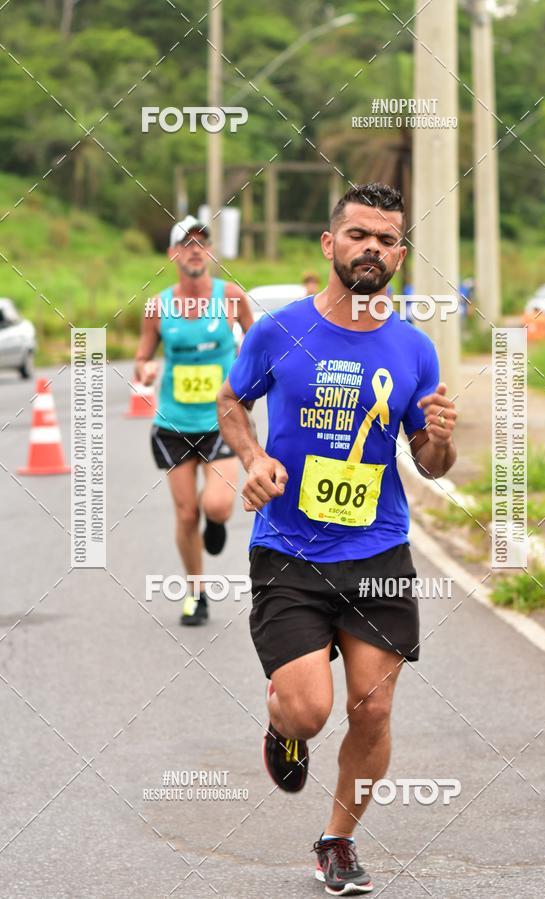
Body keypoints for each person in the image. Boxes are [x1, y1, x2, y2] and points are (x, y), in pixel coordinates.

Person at [217, 183, 458, 894]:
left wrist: (441, 439)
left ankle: (337, 841)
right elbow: (232, 400)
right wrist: (252, 458)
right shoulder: (278, 331)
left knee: (373, 707)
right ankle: (282, 725)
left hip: (377, 550)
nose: (371, 248)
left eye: (386, 239)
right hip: (289, 550)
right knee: (309, 711)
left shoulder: (415, 348)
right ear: (330, 244)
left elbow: (430, 464)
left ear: (400, 255)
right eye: (358, 235)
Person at [135, 215, 254, 626]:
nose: (195, 250)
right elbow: (142, 357)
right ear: (173, 255)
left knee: (217, 506)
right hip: (174, 423)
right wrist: (145, 370)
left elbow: (258, 345)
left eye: (202, 243)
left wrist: (250, 378)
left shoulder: (231, 297)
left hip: (222, 420)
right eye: (186, 244)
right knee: (186, 515)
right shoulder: (157, 307)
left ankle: (216, 523)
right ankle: (196, 594)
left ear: (211, 253)